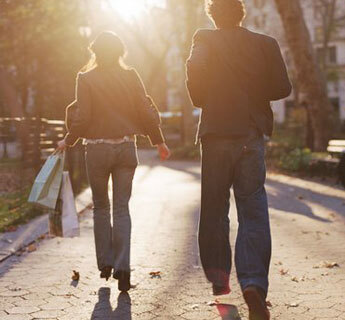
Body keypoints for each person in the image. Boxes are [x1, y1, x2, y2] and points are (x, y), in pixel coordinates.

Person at [186, 0, 291, 319]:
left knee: (215, 206)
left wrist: (205, 98)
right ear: (242, 13)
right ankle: (254, 284)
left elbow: (194, 72)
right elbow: (282, 87)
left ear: (212, 14)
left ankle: (219, 278)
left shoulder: (203, 38)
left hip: (216, 131)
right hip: (250, 132)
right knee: (253, 206)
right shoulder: (265, 44)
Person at [57, 31, 170, 292]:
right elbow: (144, 108)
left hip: (96, 150)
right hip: (126, 148)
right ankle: (124, 268)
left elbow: (83, 115)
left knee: (101, 207)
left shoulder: (85, 78)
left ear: (94, 52)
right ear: (121, 52)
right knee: (121, 209)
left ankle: (105, 263)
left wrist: (69, 139)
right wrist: (159, 140)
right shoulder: (130, 75)